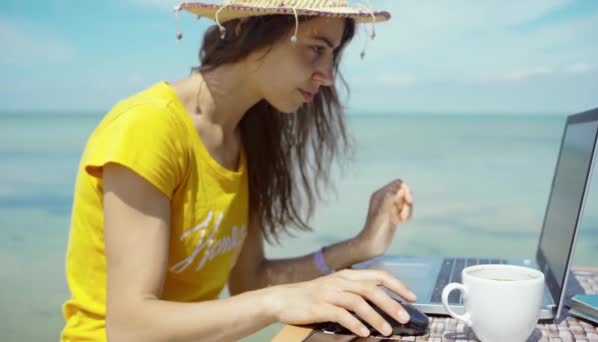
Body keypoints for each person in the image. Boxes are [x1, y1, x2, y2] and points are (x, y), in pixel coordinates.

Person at [61, 1, 416, 341]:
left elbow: (251, 282)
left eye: (332, 55)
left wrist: (361, 245)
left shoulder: (246, 136)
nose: (326, 76)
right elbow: (130, 329)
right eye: (316, 48)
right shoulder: (148, 128)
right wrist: (281, 301)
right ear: (249, 27)